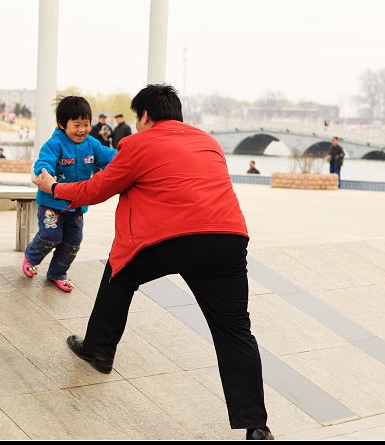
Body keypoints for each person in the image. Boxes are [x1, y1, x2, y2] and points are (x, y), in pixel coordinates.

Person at [34, 84, 272, 440]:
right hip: (227, 241)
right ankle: (256, 427)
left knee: (119, 274)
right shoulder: (209, 142)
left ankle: (99, 350)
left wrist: (53, 187)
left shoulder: (137, 143)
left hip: (164, 241)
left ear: (144, 116)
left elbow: (97, 189)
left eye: (137, 118)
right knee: (235, 332)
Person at [23, 96, 117, 293]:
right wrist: (44, 173)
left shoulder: (92, 144)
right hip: (52, 204)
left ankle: (57, 273)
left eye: (86, 124)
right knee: (51, 235)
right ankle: (31, 257)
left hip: (76, 206)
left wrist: (130, 155)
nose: (82, 129)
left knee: (73, 243)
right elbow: (44, 162)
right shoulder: (55, 144)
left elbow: (109, 157)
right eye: (76, 125)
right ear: (61, 124)